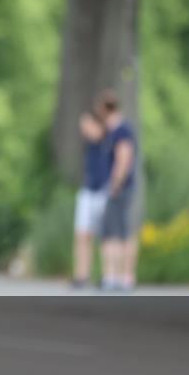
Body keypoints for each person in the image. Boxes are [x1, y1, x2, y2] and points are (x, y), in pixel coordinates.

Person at [96, 90, 138, 292]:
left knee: (115, 233)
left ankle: (118, 276)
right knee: (117, 231)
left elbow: (123, 158)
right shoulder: (114, 131)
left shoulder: (121, 131)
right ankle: (118, 276)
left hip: (118, 188)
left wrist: (114, 184)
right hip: (117, 187)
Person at [71, 111, 108, 288]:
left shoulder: (108, 143)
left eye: (87, 125)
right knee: (82, 234)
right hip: (88, 191)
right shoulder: (88, 145)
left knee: (104, 236)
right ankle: (82, 275)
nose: (84, 130)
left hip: (103, 192)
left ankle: (107, 275)